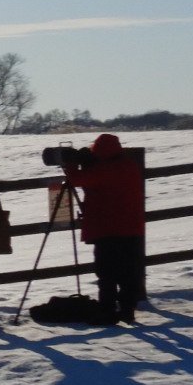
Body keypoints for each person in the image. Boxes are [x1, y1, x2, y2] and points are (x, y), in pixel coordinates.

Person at [58, 132, 146, 322]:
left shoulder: (107, 169)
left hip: (108, 229)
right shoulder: (128, 165)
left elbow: (78, 180)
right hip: (131, 229)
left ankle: (107, 310)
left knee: (106, 272)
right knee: (127, 272)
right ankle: (127, 310)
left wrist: (72, 165)